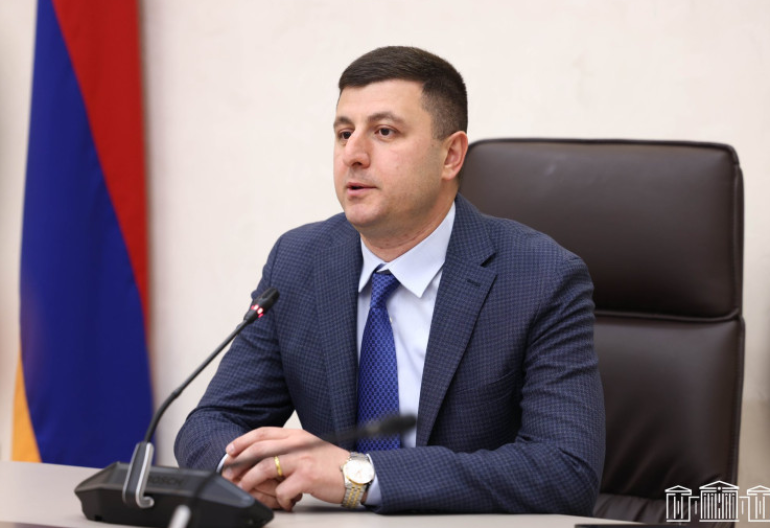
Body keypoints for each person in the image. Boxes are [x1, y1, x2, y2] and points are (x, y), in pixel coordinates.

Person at [175, 46, 605, 515]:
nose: (353, 155)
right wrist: (243, 471)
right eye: (344, 133)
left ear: (451, 155)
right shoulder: (299, 262)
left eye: (384, 132)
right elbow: (214, 422)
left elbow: (566, 470)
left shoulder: (540, 277)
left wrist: (357, 477)